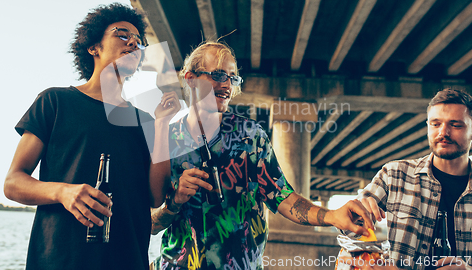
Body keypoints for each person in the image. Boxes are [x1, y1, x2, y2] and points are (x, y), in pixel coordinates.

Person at [150, 41, 374, 270]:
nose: (226, 84)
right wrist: (175, 200)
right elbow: (151, 222)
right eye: (218, 74)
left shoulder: (250, 138)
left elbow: (283, 197)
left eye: (232, 77)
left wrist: (332, 216)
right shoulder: (167, 138)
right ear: (190, 78)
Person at [4, 3, 178, 270]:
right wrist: (62, 191)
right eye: (122, 34)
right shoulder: (54, 101)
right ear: (93, 47)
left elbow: (155, 198)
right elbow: (13, 183)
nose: (133, 43)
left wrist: (163, 125)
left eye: (139, 42)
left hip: (128, 260)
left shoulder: (147, 121)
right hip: (60, 259)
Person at [358, 88, 472, 270]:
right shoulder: (394, 174)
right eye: (436, 124)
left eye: (456, 125)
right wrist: (358, 212)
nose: (444, 132)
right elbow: (348, 227)